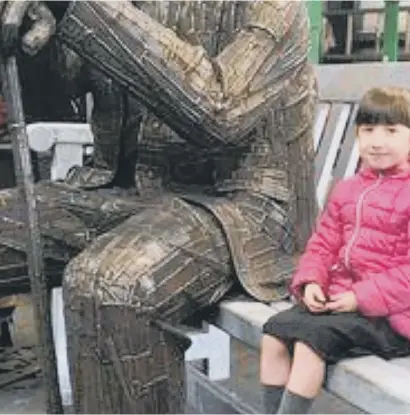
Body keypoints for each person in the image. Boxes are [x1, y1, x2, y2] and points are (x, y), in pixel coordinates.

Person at [0, 1, 318, 413]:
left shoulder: (274, 7)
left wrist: (82, 6)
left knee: (110, 286)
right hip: (129, 194)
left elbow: (218, 111)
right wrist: (33, 30)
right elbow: (65, 84)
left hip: (239, 208)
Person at [259, 86, 410, 414]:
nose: (377, 141)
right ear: (356, 134)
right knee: (273, 335)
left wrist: (360, 297)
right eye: (368, 130)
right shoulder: (349, 189)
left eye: (391, 130)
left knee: (309, 345)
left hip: (391, 317)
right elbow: (322, 244)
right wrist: (311, 282)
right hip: (341, 305)